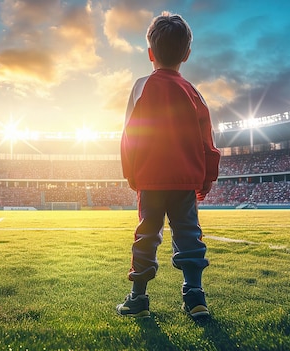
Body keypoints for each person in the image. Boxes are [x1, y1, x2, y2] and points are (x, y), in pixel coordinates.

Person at [116, 11, 221, 319]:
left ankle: (138, 299)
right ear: (187, 54)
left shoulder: (140, 86)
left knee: (147, 235)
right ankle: (195, 296)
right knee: (189, 235)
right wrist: (207, 179)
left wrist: (132, 175)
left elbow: (129, 135)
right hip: (185, 180)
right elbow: (207, 142)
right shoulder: (194, 93)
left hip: (150, 179)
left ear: (150, 53)